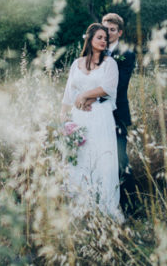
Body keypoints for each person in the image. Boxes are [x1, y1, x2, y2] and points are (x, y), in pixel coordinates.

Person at [60, 23, 123, 222]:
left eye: (106, 38)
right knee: (79, 158)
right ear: (89, 39)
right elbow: (68, 94)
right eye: (100, 37)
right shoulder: (76, 63)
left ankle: (104, 208)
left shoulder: (110, 64)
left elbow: (108, 87)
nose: (104, 41)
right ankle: (80, 207)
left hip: (100, 117)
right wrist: (63, 119)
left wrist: (85, 95)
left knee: (102, 160)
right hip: (79, 118)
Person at [99, 13, 136, 213]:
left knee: (120, 159)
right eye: (105, 29)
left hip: (117, 113)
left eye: (112, 30)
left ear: (119, 32)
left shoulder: (127, 54)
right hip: (96, 114)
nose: (108, 33)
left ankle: (130, 206)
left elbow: (119, 86)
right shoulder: (96, 50)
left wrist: (93, 95)